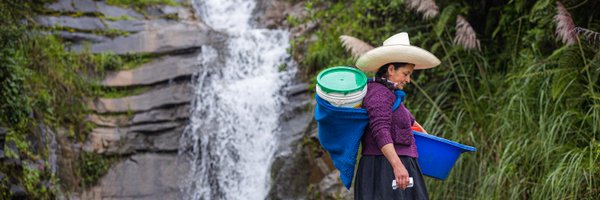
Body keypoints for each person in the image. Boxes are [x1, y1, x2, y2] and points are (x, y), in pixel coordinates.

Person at [354, 32, 441, 200]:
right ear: (391, 69)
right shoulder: (378, 94)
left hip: (395, 169)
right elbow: (380, 130)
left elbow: (412, 124)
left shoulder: (392, 96)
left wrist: (435, 146)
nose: (408, 80)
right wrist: (397, 165)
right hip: (384, 170)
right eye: (405, 73)